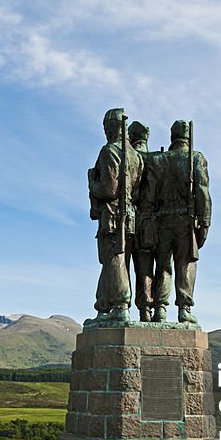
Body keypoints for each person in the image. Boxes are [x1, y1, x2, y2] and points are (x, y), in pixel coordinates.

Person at [143, 120, 210, 324]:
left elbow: (149, 196)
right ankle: (184, 308)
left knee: (162, 266)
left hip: (162, 220)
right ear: (188, 136)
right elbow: (203, 192)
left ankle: (160, 309)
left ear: (172, 136)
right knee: (185, 264)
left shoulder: (158, 161)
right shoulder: (195, 158)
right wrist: (205, 221)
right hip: (186, 221)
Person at [87, 108, 143, 324]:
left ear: (111, 127)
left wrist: (93, 184)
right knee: (113, 260)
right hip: (129, 215)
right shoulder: (136, 156)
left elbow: (109, 189)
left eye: (105, 127)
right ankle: (103, 307)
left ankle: (121, 305)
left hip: (112, 215)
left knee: (115, 259)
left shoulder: (110, 151)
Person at [128, 120, 159, 322]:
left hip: (131, 219)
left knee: (129, 265)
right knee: (157, 266)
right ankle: (153, 309)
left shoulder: (129, 157)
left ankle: (137, 309)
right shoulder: (159, 160)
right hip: (156, 221)